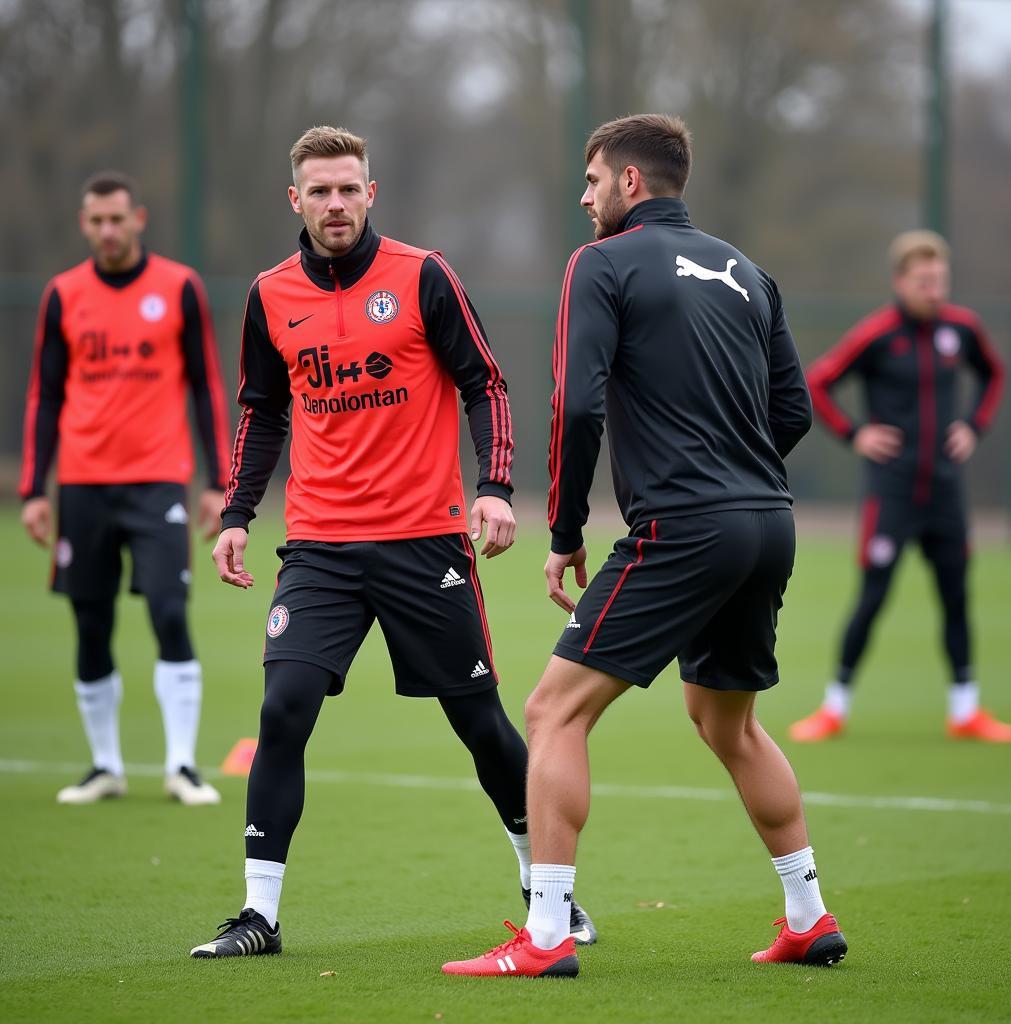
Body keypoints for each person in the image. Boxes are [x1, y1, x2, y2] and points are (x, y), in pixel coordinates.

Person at [442, 114, 845, 980]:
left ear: (630, 182)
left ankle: (546, 934)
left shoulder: (601, 262)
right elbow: (796, 414)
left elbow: (576, 405)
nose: (582, 197)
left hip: (684, 527)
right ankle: (808, 917)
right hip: (767, 524)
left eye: (591, 181)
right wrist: (737, 475)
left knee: (554, 712)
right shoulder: (748, 270)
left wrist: (562, 533)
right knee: (725, 722)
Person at [189, 126, 595, 958]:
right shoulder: (270, 295)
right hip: (319, 551)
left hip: (425, 545)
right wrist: (237, 515)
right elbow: (263, 413)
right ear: (294, 200)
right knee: (282, 709)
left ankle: (544, 887)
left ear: (371, 194)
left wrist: (492, 488)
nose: (335, 204)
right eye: (319, 191)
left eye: (348, 189)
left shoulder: (423, 276)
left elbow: (485, 382)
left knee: (479, 723)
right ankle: (258, 916)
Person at [20, 171, 230, 806]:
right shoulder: (63, 294)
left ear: (139, 218)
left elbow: (206, 385)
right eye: (96, 221)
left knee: (169, 612)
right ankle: (105, 766)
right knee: (91, 622)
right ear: (84, 225)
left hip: (159, 478)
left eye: (117, 219)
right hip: (82, 483)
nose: (107, 231)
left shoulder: (179, 287)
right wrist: (35, 488)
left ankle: (182, 766)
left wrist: (219, 481)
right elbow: (45, 393)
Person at [789, 230, 1011, 743]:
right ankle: (834, 707)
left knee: (956, 598)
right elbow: (818, 381)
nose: (934, 290)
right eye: (923, 281)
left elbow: (996, 374)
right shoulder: (877, 335)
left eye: (940, 280)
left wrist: (975, 425)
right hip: (891, 494)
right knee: (872, 598)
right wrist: (855, 433)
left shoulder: (962, 329)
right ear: (900, 282)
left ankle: (965, 710)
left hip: (946, 493)